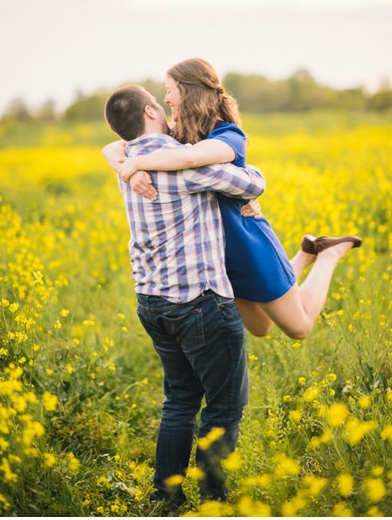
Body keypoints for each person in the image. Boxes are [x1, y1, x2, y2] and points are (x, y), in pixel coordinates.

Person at [103, 58, 361, 340]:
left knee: (298, 327)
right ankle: (307, 252)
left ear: (189, 90)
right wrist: (125, 168)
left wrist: (136, 164)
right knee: (261, 328)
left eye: (170, 90)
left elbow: (191, 158)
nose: (166, 99)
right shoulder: (177, 134)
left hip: (246, 242)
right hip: (212, 255)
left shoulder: (227, 134)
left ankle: (328, 254)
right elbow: (114, 145)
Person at [103, 85, 267, 508]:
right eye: (159, 100)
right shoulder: (185, 167)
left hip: (152, 301)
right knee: (226, 405)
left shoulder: (128, 163)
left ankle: (166, 496)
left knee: (179, 401)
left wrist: (126, 162)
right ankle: (215, 497)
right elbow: (252, 183)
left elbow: (112, 147)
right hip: (200, 301)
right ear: (151, 109)